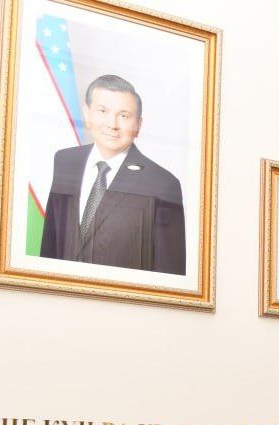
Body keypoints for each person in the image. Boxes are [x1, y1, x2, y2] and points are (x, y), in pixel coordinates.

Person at [39, 75, 185, 275]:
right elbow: (50, 245)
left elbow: (170, 274)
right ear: (87, 114)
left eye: (124, 116)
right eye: (103, 111)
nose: (112, 124)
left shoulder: (163, 184)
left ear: (138, 125)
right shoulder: (65, 161)